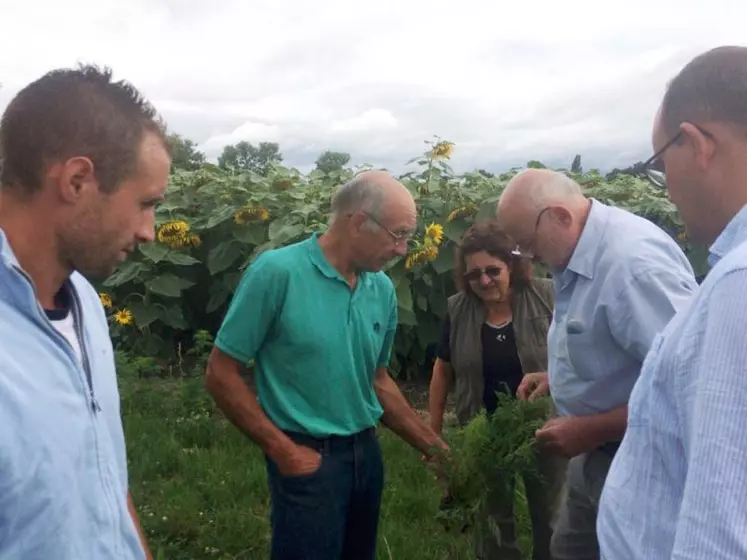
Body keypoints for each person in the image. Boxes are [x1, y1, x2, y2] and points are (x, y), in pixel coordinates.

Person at [205, 170, 449, 560]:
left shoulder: (381, 288)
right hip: (306, 455)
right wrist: (283, 451)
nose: (402, 250)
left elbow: (377, 381)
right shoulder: (277, 273)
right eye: (397, 234)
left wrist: (435, 448)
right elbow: (221, 372)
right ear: (357, 223)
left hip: (365, 455)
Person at [0, 65, 170, 558]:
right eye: (145, 203)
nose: (149, 231)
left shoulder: (86, 305)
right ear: (77, 180)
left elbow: (105, 475)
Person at [495, 168, 697, 560]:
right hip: (594, 457)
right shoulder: (576, 253)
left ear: (560, 216)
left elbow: (688, 386)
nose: (527, 257)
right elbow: (615, 342)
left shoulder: (632, 268)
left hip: (640, 461)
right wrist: (561, 374)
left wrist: (591, 428)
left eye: (527, 243)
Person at [597, 45, 747, 559]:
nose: (669, 190)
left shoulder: (738, 285)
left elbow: (722, 535)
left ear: (697, 144)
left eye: (661, 164)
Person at [428, 219, 567, 560]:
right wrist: (433, 435)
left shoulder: (547, 295)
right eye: (474, 274)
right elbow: (442, 370)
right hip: (484, 433)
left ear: (512, 265)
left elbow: (581, 352)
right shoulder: (458, 309)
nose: (484, 281)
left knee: (552, 518)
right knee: (491, 523)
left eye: (493, 270)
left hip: (544, 426)